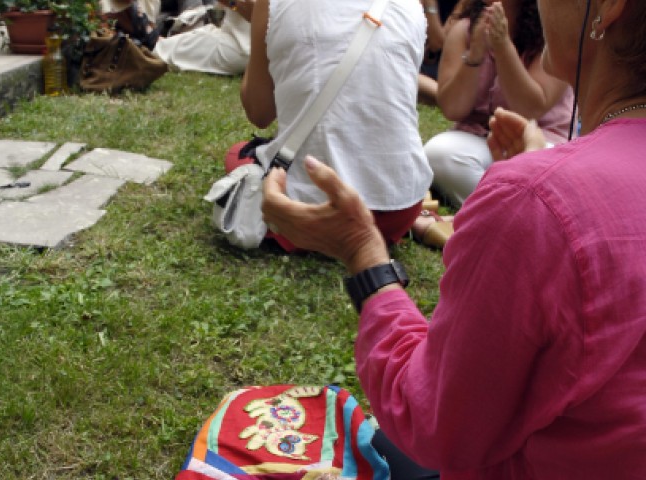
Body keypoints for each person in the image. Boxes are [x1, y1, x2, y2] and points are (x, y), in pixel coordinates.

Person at [261, 0, 646, 476]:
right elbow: (453, 103)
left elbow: (430, 424)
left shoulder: (537, 202)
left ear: (607, 8)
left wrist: (363, 253)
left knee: (388, 447)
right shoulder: (537, 197)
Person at [235, 0, 432, 252]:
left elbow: (259, 112)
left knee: (238, 155)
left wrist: (260, 31)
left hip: (310, 209)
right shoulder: (412, 4)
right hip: (398, 211)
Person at [424, 0, 572, 209]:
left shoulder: (555, 35)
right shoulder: (465, 28)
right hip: (479, 140)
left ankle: (511, 210)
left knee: (544, 171)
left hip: (538, 143)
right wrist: (475, 55)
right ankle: (512, 211)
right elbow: (453, 109)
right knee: (438, 153)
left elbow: (531, 108)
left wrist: (503, 47)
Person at [152, 0, 251, 76]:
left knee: (157, 51)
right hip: (230, 36)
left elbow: (252, 12)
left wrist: (230, 2)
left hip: (239, 46)